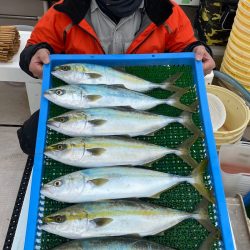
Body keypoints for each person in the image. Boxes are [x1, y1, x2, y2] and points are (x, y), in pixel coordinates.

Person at [18, 0, 215, 155]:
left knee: (191, 134)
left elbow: (185, 45)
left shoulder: (167, 10)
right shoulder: (65, 10)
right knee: (30, 138)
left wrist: (198, 51)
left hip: (137, 101)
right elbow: (37, 45)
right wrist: (34, 54)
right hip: (82, 104)